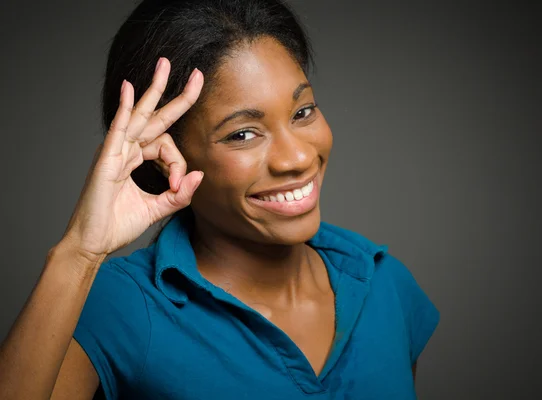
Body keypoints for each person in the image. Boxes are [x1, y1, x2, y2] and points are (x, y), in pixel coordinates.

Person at [0, 0, 439, 398]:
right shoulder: (122, 305)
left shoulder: (384, 284)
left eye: (302, 112)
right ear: (165, 157)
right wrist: (80, 252)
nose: (299, 157)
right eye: (242, 134)